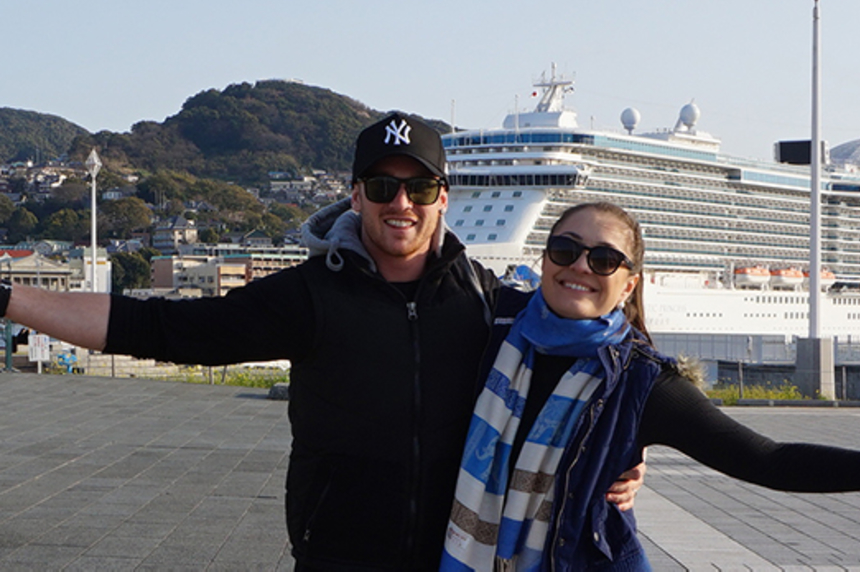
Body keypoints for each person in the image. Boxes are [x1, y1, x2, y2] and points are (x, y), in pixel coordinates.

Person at [0, 114, 641, 570]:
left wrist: (621, 456)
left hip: (455, 555)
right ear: (357, 194)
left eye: (418, 189)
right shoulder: (307, 294)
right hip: (337, 554)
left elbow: (573, 369)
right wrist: (8, 300)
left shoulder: (484, 298)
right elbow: (160, 328)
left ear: (442, 198)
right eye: (383, 187)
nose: (401, 204)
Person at [440, 202, 860, 571]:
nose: (580, 267)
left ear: (631, 282)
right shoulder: (489, 322)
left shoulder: (643, 383)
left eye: (603, 258)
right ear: (544, 259)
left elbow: (764, 460)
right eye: (565, 250)